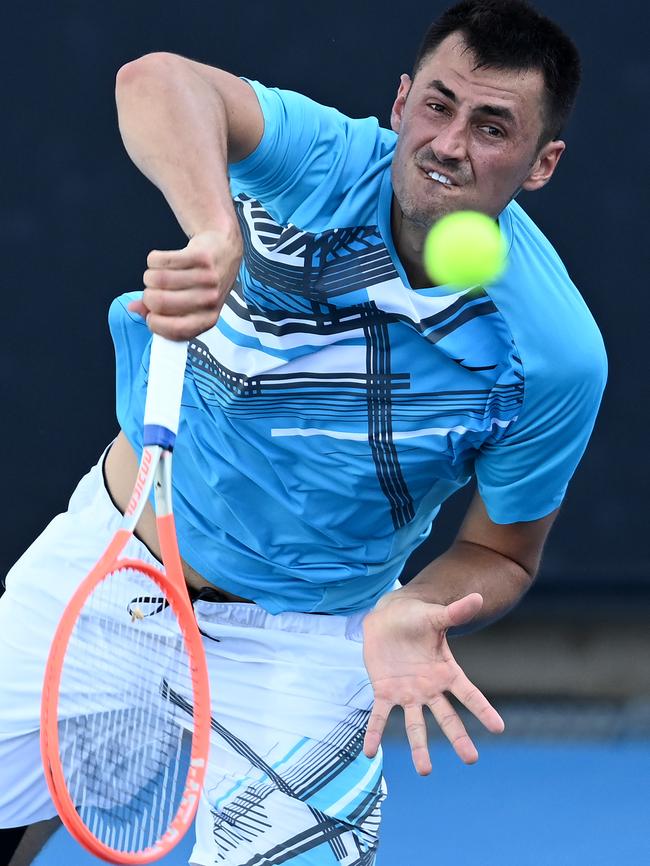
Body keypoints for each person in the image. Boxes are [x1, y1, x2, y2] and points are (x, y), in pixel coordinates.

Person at [0, 0, 606, 863]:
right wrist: (216, 231)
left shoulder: (552, 355)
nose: (449, 143)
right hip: (113, 564)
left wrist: (415, 606)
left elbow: (504, 553)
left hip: (312, 640)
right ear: (400, 104)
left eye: (492, 126)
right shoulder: (321, 161)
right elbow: (155, 81)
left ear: (542, 164)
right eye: (438, 105)